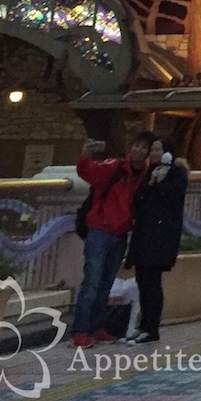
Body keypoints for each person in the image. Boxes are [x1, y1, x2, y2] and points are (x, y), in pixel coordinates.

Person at [71, 132, 154, 347]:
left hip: (119, 234)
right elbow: (87, 171)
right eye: (136, 145)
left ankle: (96, 327)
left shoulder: (145, 177)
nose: (138, 150)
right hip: (100, 231)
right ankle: (80, 330)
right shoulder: (114, 168)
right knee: (92, 283)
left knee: (106, 283)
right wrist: (85, 154)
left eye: (143, 147)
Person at [123, 137, 189, 345]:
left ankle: (152, 328)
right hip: (145, 234)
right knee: (143, 280)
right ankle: (144, 325)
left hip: (160, 236)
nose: (153, 153)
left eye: (157, 149)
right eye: (152, 149)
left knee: (152, 282)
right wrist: (152, 182)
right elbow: (139, 199)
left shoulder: (176, 174)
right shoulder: (150, 173)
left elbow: (174, 198)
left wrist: (161, 182)